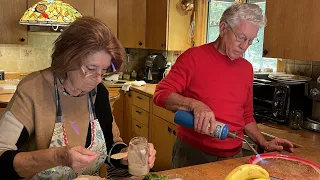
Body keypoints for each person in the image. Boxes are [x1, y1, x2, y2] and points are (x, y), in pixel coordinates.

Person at [0, 17, 156, 179]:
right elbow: (2, 160)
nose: (98, 79)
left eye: (103, 71)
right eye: (90, 68)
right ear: (67, 59)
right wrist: (58, 157)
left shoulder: (98, 93)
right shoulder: (33, 89)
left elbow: (111, 147)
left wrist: (128, 155)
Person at [153, 3, 293, 168]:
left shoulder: (246, 69)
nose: (244, 46)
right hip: (194, 154)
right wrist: (194, 105)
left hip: (234, 156)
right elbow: (161, 94)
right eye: (241, 38)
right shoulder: (193, 57)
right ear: (223, 28)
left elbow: (246, 116)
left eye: (250, 40)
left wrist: (264, 142)